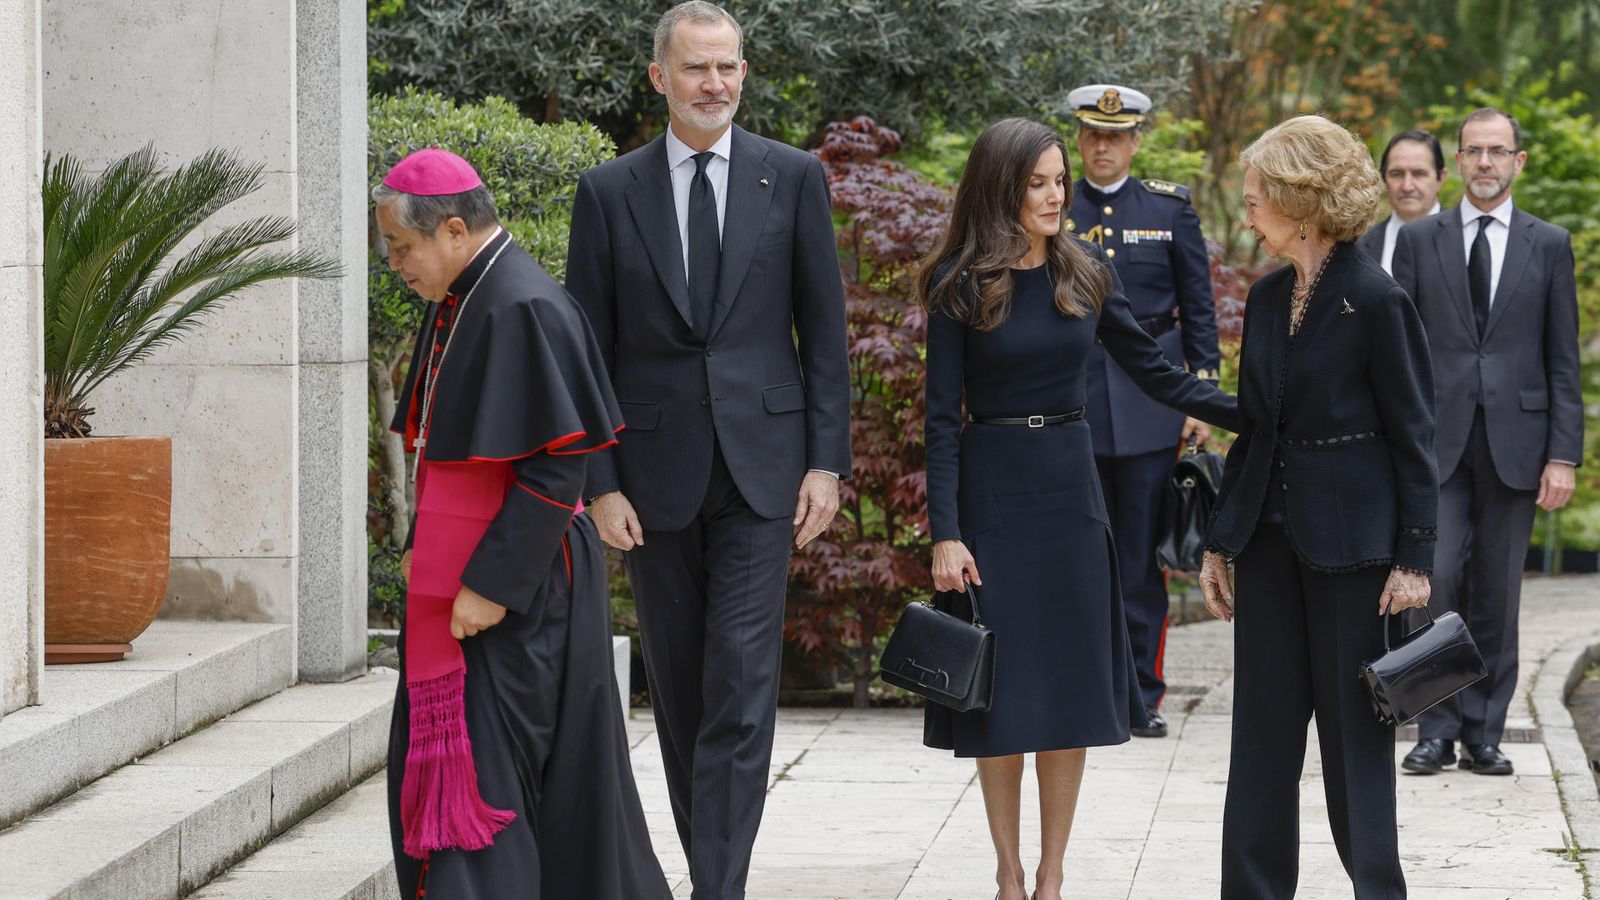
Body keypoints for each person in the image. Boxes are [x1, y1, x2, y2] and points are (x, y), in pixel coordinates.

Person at [563, 3, 851, 897]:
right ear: (661, 77)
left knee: (740, 682)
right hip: (651, 481)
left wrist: (826, 463)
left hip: (766, 474)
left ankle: (717, 888)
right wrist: (599, 481)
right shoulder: (608, 192)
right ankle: (711, 873)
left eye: (728, 67)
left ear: (744, 72)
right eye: (696, 68)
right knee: (683, 694)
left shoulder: (792, 177)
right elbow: (588, 352)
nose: (714, 83)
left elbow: (824, 333)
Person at [920, 117, 1238, 900]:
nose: (1056, 194)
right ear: (1001, 186)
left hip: (1070, 493)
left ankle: (1052, 877)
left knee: (1064, 692)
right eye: (1037, 182)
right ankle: (1007, 874)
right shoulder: (959, 283)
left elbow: (1157, 374)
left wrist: (1253, 411)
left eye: (1059, 180)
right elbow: (940, 419)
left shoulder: (1087, 272)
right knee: (1000, 697)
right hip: (993, 495)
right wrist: (945, 535)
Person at [375, 148, 670, 899]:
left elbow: (556, 465)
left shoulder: (522, 304)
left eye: (401, 248)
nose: (395, 265)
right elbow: (453, 451)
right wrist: (422, 547)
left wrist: (491, 586)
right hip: (487, 576)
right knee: (485, 761)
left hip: (524, 588)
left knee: (495, 774)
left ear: (452, 229)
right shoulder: (467, 297)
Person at [1199, 115, 1437, 899]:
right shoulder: (1267, 297)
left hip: (1353, 555)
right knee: (1260, 742)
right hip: (1269, 545)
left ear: (1302, 200)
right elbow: (1256, 431)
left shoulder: (1376, 299)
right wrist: (1220, 540)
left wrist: (1415, 557)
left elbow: (1415, 437)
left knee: (1354, 744)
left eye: (1256, 198)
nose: (1248, 214)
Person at [1391, 108, 1583, 777]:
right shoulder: (1422, 240)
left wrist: (1563, 454)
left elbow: (1563, 359)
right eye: (1473, 151)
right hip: (1435, 445)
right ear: (1458, 162)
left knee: (1498, 593)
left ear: (1517, 161)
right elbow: (1400, 351)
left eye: (1497, 151)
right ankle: (1433, 729)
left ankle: (1483, 733)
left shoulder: (1549, 244)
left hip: (1518, 445)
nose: (1484, 163)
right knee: (1435, 579)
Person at [1065, 83, 1223, 738]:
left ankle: (1141, 693)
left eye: (1115, 136)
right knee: (1077, 556)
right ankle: (1080, 690)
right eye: (1093, 135)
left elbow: (1199, 308)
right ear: (1079, 139)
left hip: (1151, 404)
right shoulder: (1052, 203)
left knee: (1137, 558)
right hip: (1069, 399)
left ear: (1134, 142)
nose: (1102, 146)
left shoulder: (1168, 208)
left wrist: (1202, 395)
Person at [1356, 130, 1445, 273]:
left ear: (1441, 178)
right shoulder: (1359, 246)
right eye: (1396, 174)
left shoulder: (1463, 239)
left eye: (1419, 174)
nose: (1407, 186)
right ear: (1383, 178)